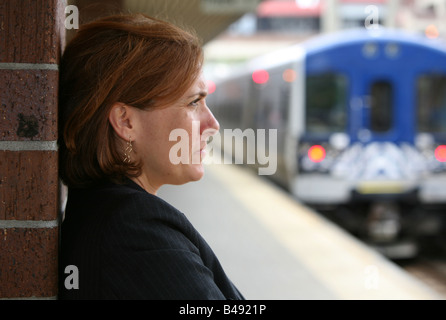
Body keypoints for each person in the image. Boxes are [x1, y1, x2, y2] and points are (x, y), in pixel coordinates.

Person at [58, 13, 244, 300]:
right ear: (126, 122)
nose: (212, 124)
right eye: (194, 102)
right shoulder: (135, 231)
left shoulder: (103, 210)